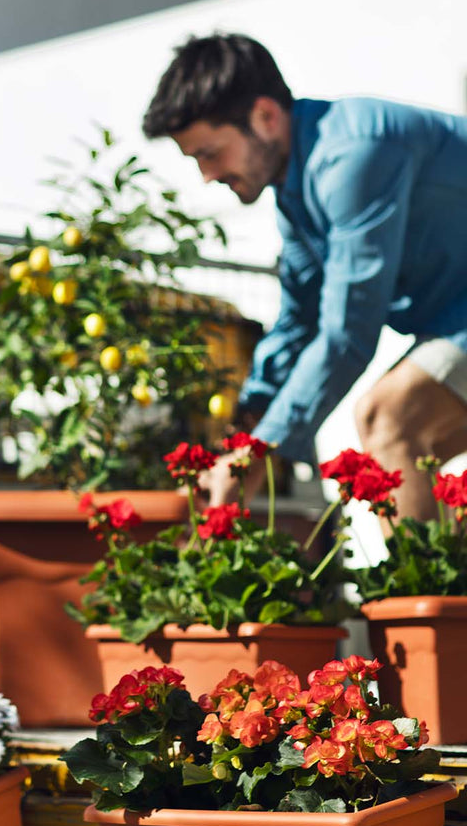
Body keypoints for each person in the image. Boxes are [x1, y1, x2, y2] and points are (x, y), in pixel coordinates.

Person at [142, 33, 467, 519]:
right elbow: (300, 319)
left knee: (391, 421)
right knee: (413, 454)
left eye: (209, 153)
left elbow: (347, 333)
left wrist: (260, 453)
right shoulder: (296, 195)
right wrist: (251, 422)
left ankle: (421, 595)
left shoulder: (355, 156)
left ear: (266, 117)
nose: (206, 176)